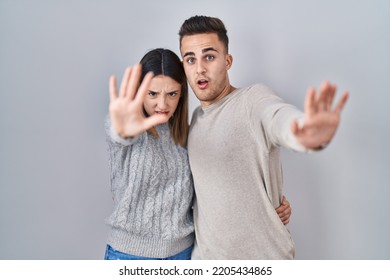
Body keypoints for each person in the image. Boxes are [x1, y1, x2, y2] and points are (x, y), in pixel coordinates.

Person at [178, 15, 349, 259]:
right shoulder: (194, 121)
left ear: (227, 61)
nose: (200, 68)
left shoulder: (252, 100)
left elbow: (277, 116)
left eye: (209, 56)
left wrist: (303, 133)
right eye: (190, 59)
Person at [103, 48, 293, 260]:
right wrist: (122, 130)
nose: (162, 105)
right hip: (131, 255)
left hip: (184, 254)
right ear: (140, 91)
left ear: (182, 94)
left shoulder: (189, 133)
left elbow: (216, 188)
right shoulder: (129, 129)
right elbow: (119, 134)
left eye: (172, 94)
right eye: (153, 94)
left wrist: (270, 207)